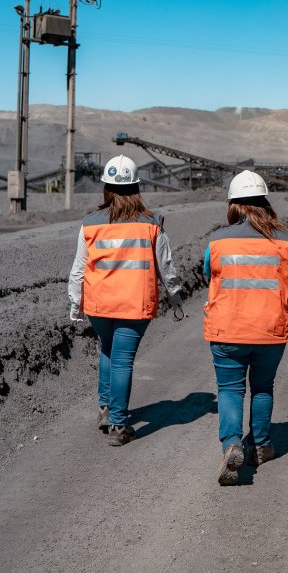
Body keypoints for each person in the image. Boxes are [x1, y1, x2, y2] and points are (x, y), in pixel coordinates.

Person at [68, 154, 183, 446]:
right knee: (122, 359)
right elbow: (165, 265)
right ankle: (118, 424)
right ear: (136, 188)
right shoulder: (152, 224)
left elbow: (79, 268)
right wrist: (175, 296)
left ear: (106, 188)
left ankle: (106, 408)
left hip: (99, 303)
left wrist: (75, 303)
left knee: (108, 350)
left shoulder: (89, 224)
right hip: (135, 303)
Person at [203, 170, 288, 486]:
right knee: (262, 387)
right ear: (265, 203)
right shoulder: (284, 241)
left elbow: (209, 273)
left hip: (227, 329)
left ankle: (232, 444)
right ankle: (260, 446)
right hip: (270, 329)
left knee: (231, 389)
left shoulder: (217, 240)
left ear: (233, 205)